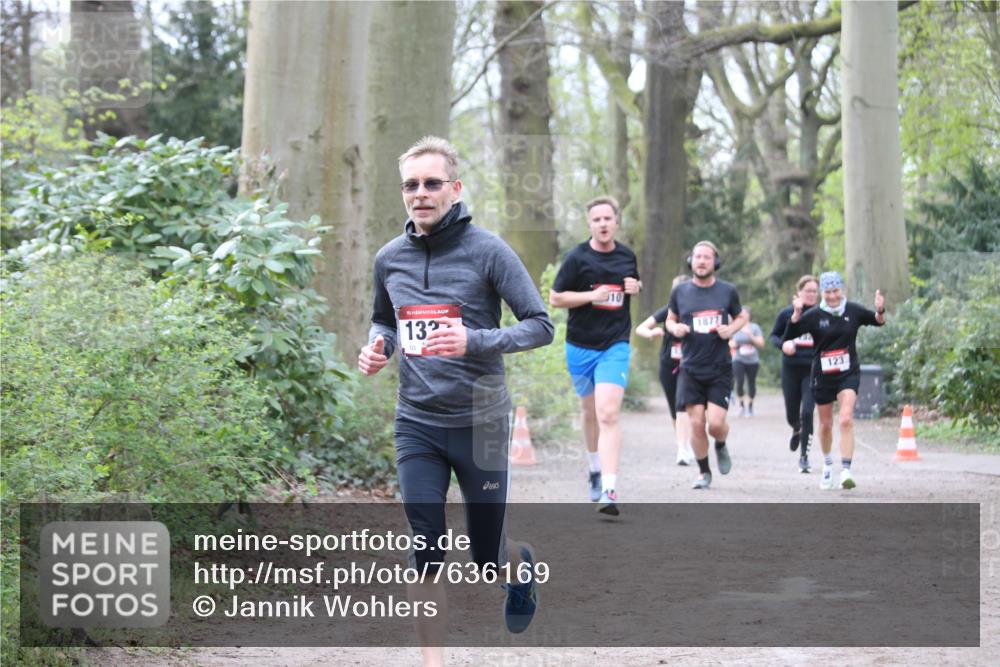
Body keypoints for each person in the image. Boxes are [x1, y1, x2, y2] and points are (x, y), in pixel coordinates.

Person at [358, 136, 554, 666]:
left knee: (487, 558)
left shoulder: (488, 251)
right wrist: (379, 346)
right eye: (411, 185)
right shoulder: (389, 259)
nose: (420, 194)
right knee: (424, 550)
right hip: (416, 422)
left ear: (455, 188)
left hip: (482, 421)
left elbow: (540, 326)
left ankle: (519, 569)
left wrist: (476, 339)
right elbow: (386, 318)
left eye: (431, 183)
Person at [549, 195, 640, 515]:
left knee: (608, 413)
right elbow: (556, 298)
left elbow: (631, 287)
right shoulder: (577, 258)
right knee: (589, 411)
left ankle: (610, 489)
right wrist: (592, 296)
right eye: (597, 219)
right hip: (580, 346)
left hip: (615, 345)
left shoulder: (628, 256)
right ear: (590, 224)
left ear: (616, 222)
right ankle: (594, 468)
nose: (603, 224)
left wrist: (634, 288)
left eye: (608, 218)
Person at [783, 271, 885, 490]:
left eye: (835, 291)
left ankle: (846, 470)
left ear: (842, 290)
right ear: (822, 293)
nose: (832, 296)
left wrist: (879, 309)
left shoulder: (853, 311)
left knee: (846, 419)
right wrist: (796, 314)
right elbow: (788, 335)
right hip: (822, 376)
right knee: (826, 424)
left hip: (848, 373)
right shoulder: (814, 315)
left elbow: (877, 321)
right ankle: (828, 464)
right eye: (827, 292)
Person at [664, 241, 748, 490]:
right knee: (697, 423)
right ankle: (703, 472)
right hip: (690, 367)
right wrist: (675, 328)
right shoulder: (680, 292)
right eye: (697, 257)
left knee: (716, 424)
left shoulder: (727, 291)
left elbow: (742, 316)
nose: (701, 261)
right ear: (691, 261)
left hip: (719, 367)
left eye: (707, 258)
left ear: (715, 263)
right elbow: (670, 319)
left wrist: (730, 329)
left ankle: (720, 444)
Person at [636, 274, 695, 466]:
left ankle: (684, 449)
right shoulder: (667, 312)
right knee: (675, 410)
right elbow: (640, 328)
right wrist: (651, 332)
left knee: (683, 405)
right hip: (668, 365)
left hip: (691, 365)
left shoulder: (698, 313)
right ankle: (683, 444)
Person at [769, 275, 820, 473]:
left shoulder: (821, 315)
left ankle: (804, 458)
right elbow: (773, 336)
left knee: (807, 412)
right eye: (807, 290)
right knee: (792, 414)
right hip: (791, 368)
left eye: (814, 291)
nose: (811, 294)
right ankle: (796, 428)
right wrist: (783, 344)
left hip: (812, 370)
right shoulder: (786, 314)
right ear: (799, 292)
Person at [729, 308, 764, 417]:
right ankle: (741, 406)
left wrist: (750, 335)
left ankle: (750, 406)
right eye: (741, 314)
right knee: (739, 382)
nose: (743, 316)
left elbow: (761, 344)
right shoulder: (735, 327)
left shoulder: (754, 327)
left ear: (749, 315)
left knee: (751, 383)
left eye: (745, 314)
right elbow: (729, 342)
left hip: (752, 360)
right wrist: (733, 344)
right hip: (738, 359)